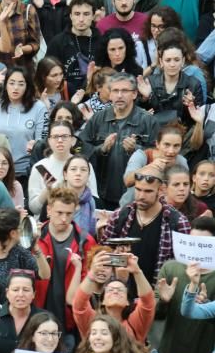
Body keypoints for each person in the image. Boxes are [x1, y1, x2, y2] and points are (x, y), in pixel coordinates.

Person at [78, 72, 159, 210]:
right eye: (115, 91)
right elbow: (79, 149)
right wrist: (101, 149)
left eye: (124, 91)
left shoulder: (148, 120)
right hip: (102, 195)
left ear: (134, 94)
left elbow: (158, 157)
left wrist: (136, 150)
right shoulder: (98, 118)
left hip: (136, 197)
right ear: (110, 94)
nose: (119, 95)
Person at [98, 164, 191, 283]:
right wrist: (118, 258)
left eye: (148, 191)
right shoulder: (120, 216)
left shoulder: (177, 222)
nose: (141, 196)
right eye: (138, 189)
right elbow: (102, 258)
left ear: (161, 190)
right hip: (121, 293)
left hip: (157, 295)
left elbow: (183, 268)